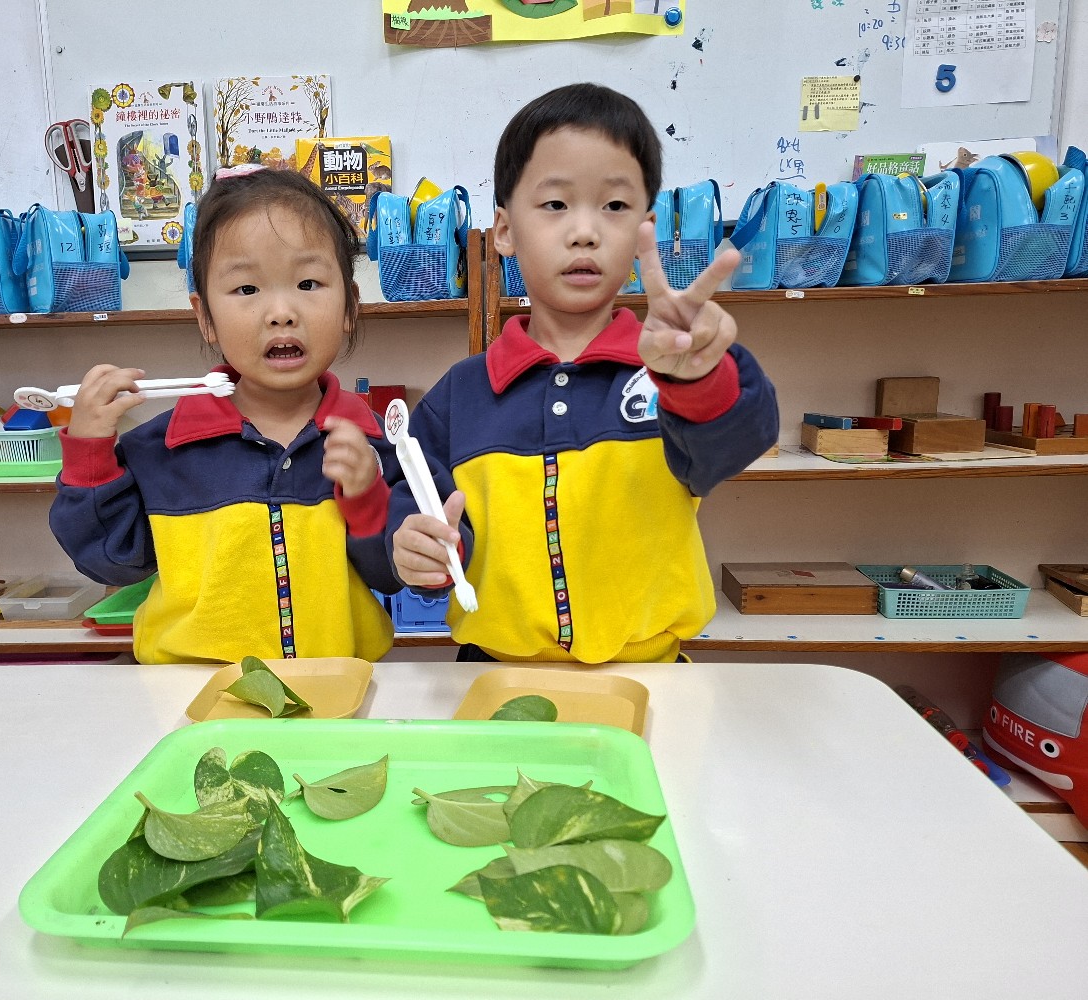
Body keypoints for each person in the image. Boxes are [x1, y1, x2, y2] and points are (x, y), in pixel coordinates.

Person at [387, 83, 779, 664]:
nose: (585, 231)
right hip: (498, 679)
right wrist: (423, 551)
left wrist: (696, 379)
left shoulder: (665, 377)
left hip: (651, 677)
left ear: (646, 228)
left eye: (614, 206)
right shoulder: (461, 395)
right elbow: (415, 500)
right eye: (555, 204)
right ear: (505, 231)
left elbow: (740, 438)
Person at [50, 168, 401, 664]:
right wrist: (90, 455)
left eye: (308, 283)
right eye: (246, 289)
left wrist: (366, 497)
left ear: (349, 306)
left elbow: (392, 575)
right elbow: (110, 562)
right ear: (205, 317)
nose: (281, 312)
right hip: (187, 691)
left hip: (334, 690)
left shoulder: (374, 444)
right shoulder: (162, 448)